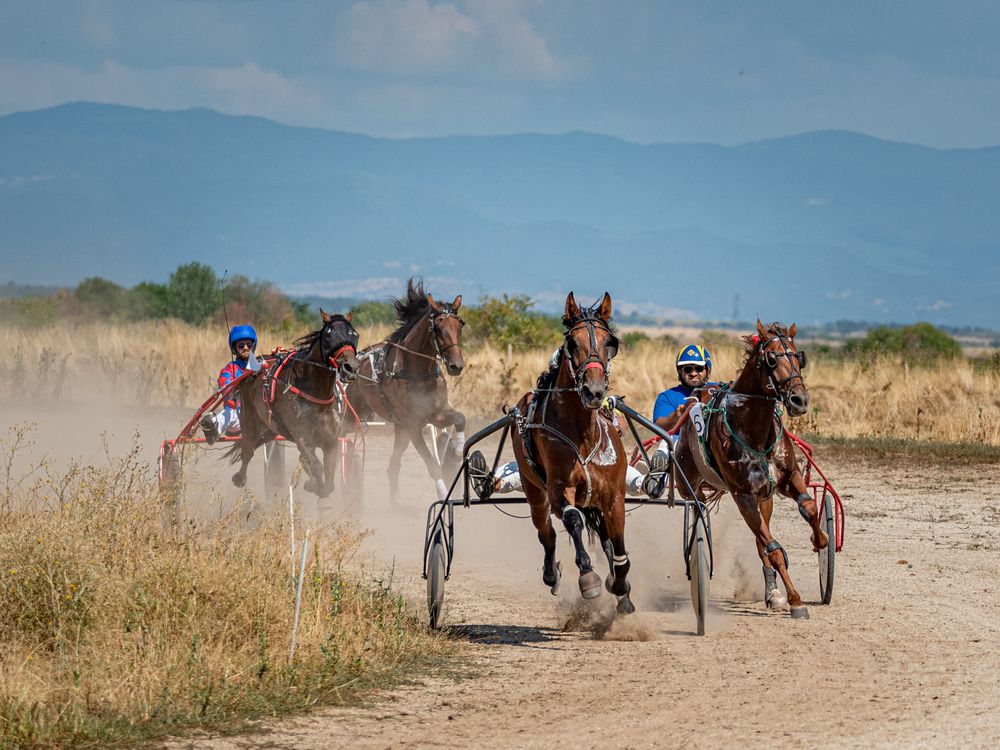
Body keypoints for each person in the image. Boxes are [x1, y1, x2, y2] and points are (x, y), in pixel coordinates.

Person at [644, 343, 718, 496]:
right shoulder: (667, 397)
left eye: (698, 368)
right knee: (668, 441)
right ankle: (659, 472)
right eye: (687, 369)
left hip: (712, 446)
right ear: (679, 371)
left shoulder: (717, 391)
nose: (693, 373)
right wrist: (676, 416)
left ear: (707, 370)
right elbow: (659, 426)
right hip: (679, 449)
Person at [200, 325, 258, 444]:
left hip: (259, 417)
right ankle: (213, 427)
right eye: (241, 346)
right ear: (235, 349)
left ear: (253, 346)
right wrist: (233, 390)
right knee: (230, 412)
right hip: (238, 417)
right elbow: (224, 387)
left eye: (249, 345)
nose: (246, 348)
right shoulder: (229, 370)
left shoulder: (260, 366)